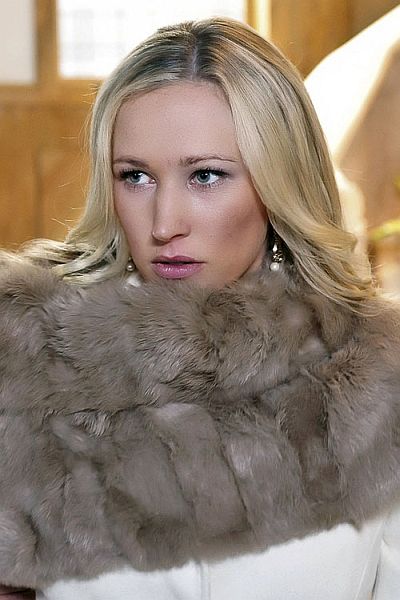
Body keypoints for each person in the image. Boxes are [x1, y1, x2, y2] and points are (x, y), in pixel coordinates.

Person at [0, 17, 399, 600]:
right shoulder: (27, 360)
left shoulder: (377, 379)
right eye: (135, 176)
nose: (164, 224)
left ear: (278, 180)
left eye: (206, 175)